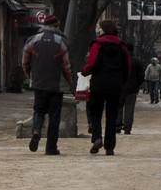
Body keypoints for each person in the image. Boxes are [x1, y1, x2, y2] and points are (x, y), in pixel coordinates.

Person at [22, 13, 72, 155]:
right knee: (54, 116)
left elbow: (25, 62)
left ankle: (36, 130)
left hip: (39, 83)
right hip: (57, 85)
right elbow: (67, 66)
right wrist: (70, 83)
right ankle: (51, 147)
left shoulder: (32, 40)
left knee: (39, 110)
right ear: (57, 26)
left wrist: (31, 76)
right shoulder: (63, 42)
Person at [83, 19, 130, 156]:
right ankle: (110, 147)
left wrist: (85, 71)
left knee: (95, 112)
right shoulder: (122, 45)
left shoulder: (97, 44)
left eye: (100, 28)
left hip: (99, 83)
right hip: (115, 84)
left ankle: (97, 138)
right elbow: (127, 66)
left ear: (104, 30)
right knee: (111, 115)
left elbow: (91, 63)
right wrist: (122, 80)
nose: (99, 30)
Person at [117, 41, 144, 135]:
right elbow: (141, 76)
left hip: (119, 87)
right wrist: (137, 85)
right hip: (132, 88)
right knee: (129, 108)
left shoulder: (119, 60)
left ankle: (117, 125)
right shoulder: (137, 61)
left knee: (118, 107)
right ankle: (127, 127)